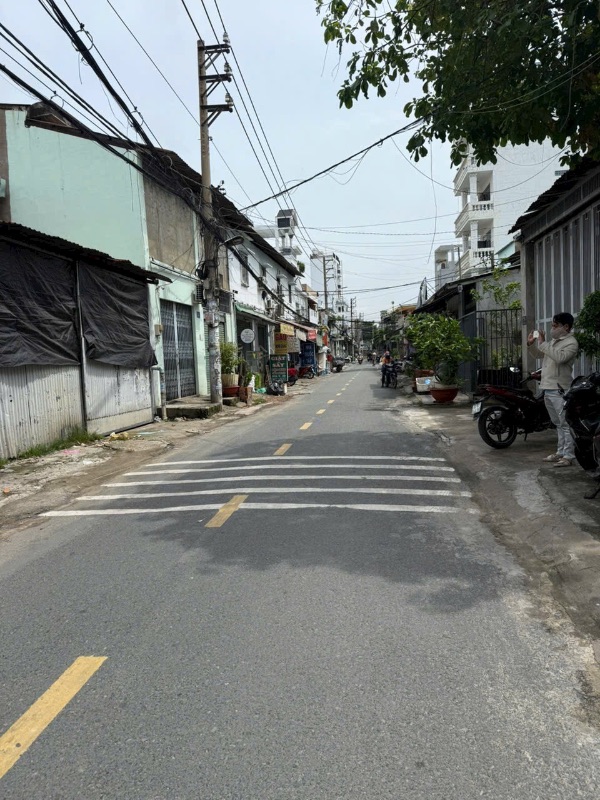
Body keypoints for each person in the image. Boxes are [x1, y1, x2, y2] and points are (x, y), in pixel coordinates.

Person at [527, 312, 579, 467]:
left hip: (560, 389)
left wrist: (543, 343)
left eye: (555, 326)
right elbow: (539, 354)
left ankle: (568, 456)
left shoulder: (571, 343)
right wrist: (531, 344)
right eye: (552, 325)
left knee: (565, 423)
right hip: (547, 387)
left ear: (566, 327)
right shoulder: (553, 342)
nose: (552, 328)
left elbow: (560, 358)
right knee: (557, 423)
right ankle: (560, 452)